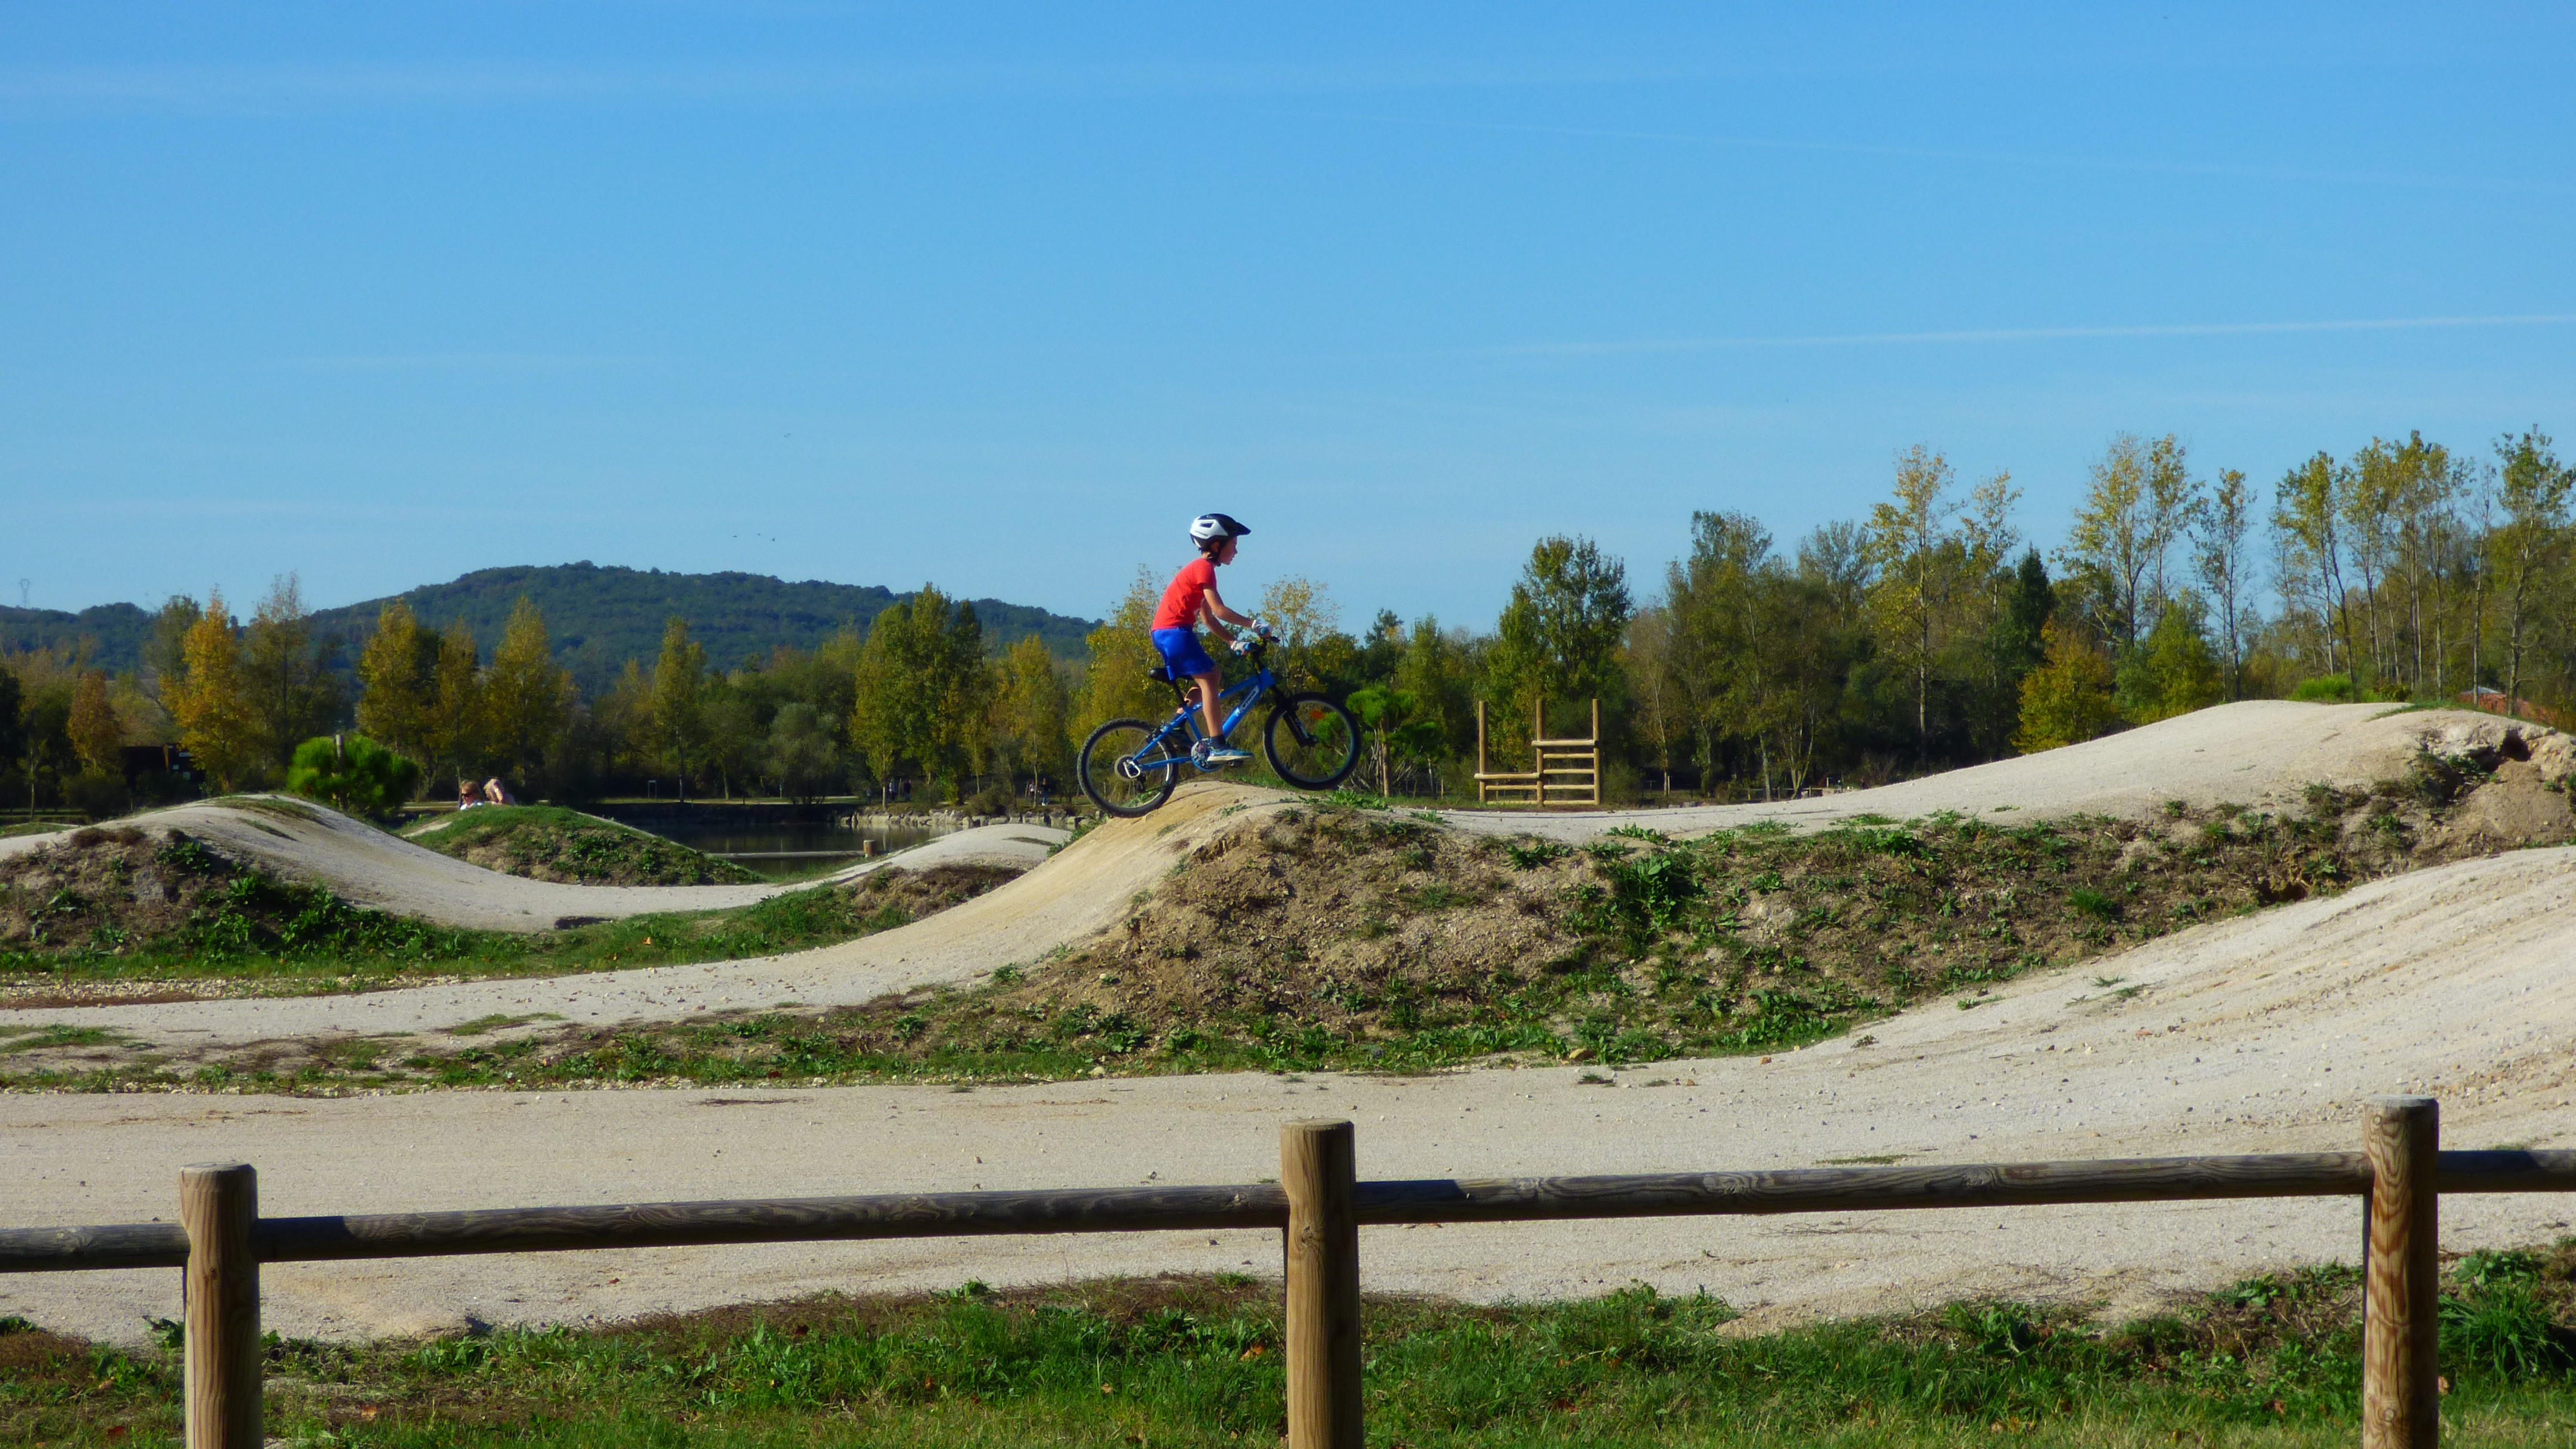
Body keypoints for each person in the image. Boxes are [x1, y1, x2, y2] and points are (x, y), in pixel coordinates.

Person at [1150, 512, 1271, 768]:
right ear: (1216, 545)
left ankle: (1177, 725)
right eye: (1233, 545)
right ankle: (1218, 745)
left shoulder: (1201, 571)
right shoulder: (1203, 568)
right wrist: (1253, 624)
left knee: (1212, 674)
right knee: (1209, 680)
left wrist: (1232, 642)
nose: (1236, 551)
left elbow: (1208, 618)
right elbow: (1219, 610)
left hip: (1167, 632)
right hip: (1174, 631)